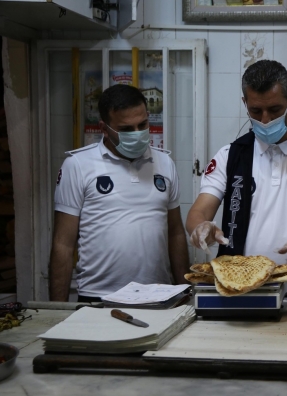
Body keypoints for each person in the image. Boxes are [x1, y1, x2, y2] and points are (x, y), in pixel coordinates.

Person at [186, 60, 287, 296]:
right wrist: (201, 227)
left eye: (274, 110)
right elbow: (198, 213)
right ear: (245, 103)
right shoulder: (230, 155)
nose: (265, 120)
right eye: (256, 111)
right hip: (239, 290)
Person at [49, 84, 189, 302]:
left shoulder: (164, 163)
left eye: (142, 125)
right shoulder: (77, 165)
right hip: (97, 297)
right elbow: (63, 244)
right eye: (126, 129)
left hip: (158, 295)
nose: (137, 134)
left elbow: (176, 232)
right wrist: (56, 310)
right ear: (104, 128)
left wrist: (185, 292)